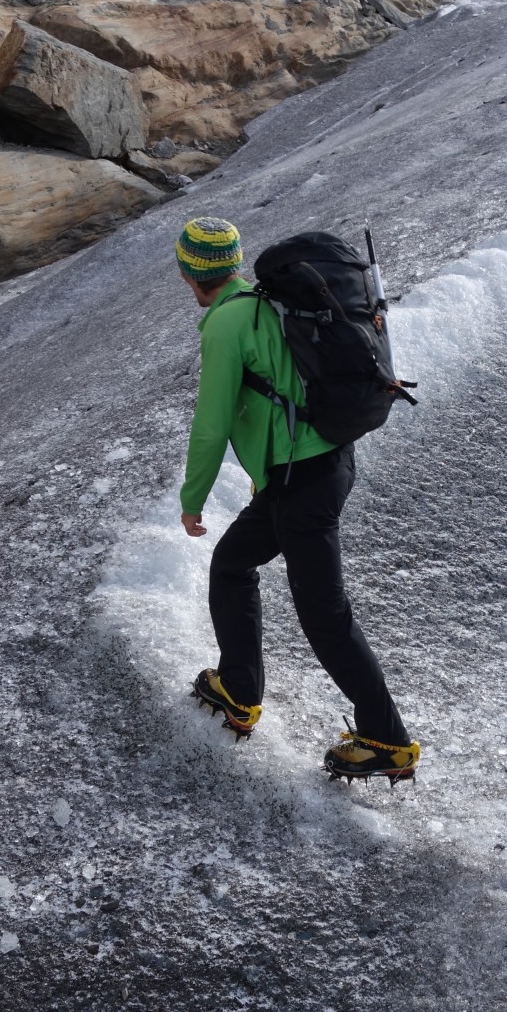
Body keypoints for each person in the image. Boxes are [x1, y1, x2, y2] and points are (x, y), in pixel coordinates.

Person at [174, 217, 420, 784]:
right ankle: (238, 689)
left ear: (188, 273)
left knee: (325, 616)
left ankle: (388, 739)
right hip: (323, 461)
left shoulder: (227, 323)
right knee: (232, 563)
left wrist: (193, 499)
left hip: (300, 482)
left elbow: (211, 423)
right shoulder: (268, 303)